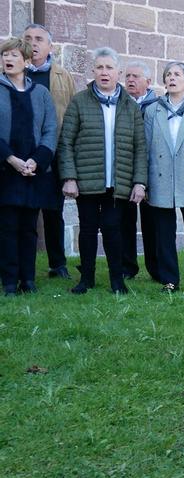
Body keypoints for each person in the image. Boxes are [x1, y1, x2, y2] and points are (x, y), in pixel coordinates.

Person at [57, 46, 148, 295]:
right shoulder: (79, 101)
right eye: (99, 67)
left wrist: (139, 182)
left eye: (109, 68)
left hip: (117, 183)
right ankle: (86, 279)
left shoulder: (130, 105)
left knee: (113, 231)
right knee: (87, 230)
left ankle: (117, 281)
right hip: (86, 181)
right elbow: (66, 142)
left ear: (118, 72)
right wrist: (69, 178)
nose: (104, 72)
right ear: (93, 71)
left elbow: (140, 147)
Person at [143, 61, 184, 293]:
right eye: (168, 74)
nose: (171, 78)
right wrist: (145, 182)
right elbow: (146, 148)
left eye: (177, 74)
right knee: (163, 233)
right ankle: (169, 280)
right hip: (160, 178)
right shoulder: (153, 111)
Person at [0, 37, 57, 295]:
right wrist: (11, 159)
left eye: (13, 55)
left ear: (25, 61)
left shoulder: (41, 94)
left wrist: (36, 160)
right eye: (4, 56)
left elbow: (50, 130)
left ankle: (28, 279)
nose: (7, 60)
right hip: (5, 170)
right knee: (8, 228)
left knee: (29, 228)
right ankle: (10, 282)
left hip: (33, 172)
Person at [23, 24, 75, 280]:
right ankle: (23, 266)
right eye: (28, 39)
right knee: (24, 214)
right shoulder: (10, 74)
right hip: (20, 157)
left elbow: (70, 116)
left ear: (50, 46)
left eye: (39, 39)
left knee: (54, 212)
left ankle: (58, 264)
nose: (34, 43)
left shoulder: (63, 76)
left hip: (52, 154)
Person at [121, 61, 160, 281]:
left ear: (148, 81)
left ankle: (156, 269)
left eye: (136, 76)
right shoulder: (121, 104)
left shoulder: (159, 105)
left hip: (152, 172)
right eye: (127, 76)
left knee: (152, 223)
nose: (130, 80)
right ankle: (127, 267)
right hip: (126, 170)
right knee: (124, 220)